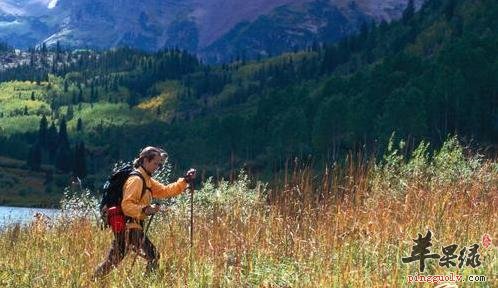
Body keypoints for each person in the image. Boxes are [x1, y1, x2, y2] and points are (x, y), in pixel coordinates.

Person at [93, 146, 196, 278]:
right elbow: (127, 205)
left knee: (112, 261)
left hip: (128, 227)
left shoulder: (146, 179)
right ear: (145, 160)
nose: (157, 167)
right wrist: (145, 209)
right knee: (153, 256)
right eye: (155, 163)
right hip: (130, 227)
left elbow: (165, 191)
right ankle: (146, 284)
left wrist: (185, 181)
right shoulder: (136, 180)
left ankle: (92, 281)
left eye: (159, 164)